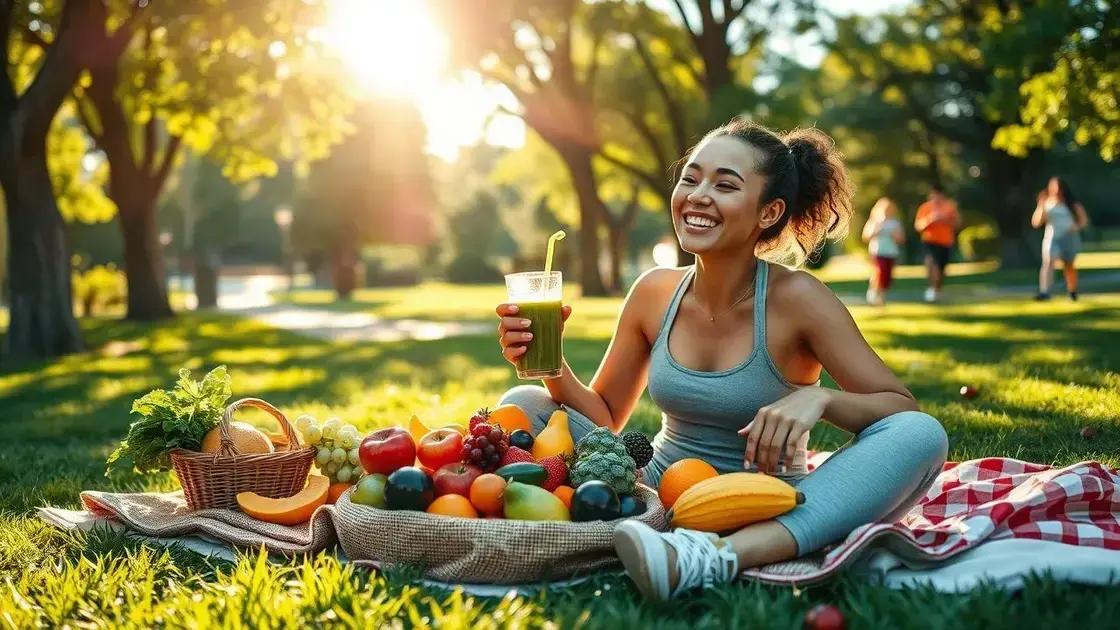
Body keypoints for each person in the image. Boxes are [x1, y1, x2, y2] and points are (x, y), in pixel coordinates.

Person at [494, 118, 947, 600]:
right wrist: (550, 362)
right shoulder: (654, 291)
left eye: (725, 185)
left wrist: (821, 399)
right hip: (656, 489)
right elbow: (605, 416)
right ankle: (631, 533)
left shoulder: (800, 300)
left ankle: (715, 556)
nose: (698, 195)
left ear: (768, 212)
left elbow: (900, 406)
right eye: (690, 178)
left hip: (767, 503)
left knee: (921, 434)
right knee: (524, 401)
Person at [1032, 177, 1089, 301]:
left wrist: (1075, 227)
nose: (1055, 190)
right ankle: (1044, 292)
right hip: (1052, 237)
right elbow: (1036, 223)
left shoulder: (1071, 203)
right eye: (1053, 187)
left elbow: (1083, 220)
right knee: (1048, 262)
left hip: (1069, 237)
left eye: (1058, 187)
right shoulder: (1046, 203)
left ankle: (1072, 291)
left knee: (1068, 265)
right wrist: (1040, 205)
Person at [913, 185, 960, 303]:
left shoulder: (949, 207)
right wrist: (930, 220)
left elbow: (957, 223)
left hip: (945, 242)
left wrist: (944, 220)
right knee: (932, 264)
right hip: (930, 241)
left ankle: (937, 290)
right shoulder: (925, 208)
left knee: (942, 269)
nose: (936, 198)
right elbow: (918, 226)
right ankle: (932, 289)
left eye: (938, 195)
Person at [861, 197, 905, 305]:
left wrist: (895, 235)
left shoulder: (895, 223)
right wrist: (876, 231)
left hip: (891, 252)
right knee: (880, 273)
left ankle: (880, 294)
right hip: (877, 252)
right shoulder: (874, 222)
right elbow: (865, 236)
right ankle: (875, 295)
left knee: (887, 277)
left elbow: (902, 239)